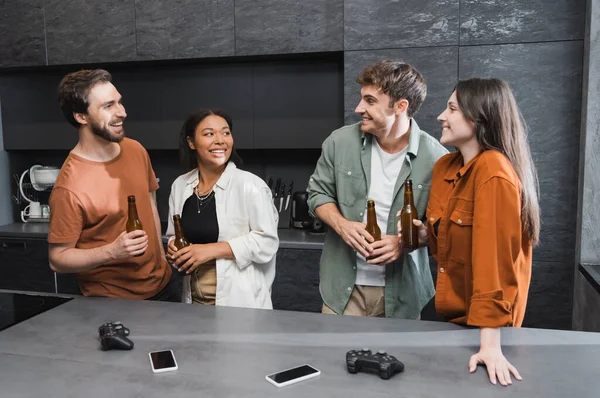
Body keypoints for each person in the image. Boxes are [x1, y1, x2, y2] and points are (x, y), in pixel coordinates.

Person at [401, 78, 540, 386]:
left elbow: (494, 264)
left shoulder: (494, 171)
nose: (440, 116)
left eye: (451, 108)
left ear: (478, 117)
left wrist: (489, 347)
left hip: (488, 330)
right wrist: (425, 236)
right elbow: (451, 249)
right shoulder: (446, 168)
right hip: (455, 322)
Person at [307, 60, 448, 318]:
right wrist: (342, 225)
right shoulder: (339, 142)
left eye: (370, 101)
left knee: (399, 359)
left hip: (403, 295)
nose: (359, 108)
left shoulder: (437, 158)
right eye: (362, 99)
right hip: (342, 292)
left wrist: (405, 243)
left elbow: (442, 231)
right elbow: (318, 194)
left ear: (401, 106)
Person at [48, 69, 179, 302]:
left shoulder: (135, 150)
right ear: (81, 116)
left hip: (163, 285)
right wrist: (112, 251)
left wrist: (160, 256)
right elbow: (57, 259)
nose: (122, 112)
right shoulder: (69, 187)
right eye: (108, 106)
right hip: (112, 298)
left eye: (119, 102)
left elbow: (149, 203)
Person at [166, 109, 279, 308]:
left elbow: (267, 242)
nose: (220, 140)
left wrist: (209, 251)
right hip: (193, 301)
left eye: (225, 133)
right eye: (209, 134)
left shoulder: (251, 186)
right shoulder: (180, 186)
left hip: (239, 303)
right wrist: (174, 246)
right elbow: (173, 235)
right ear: (191, 142)